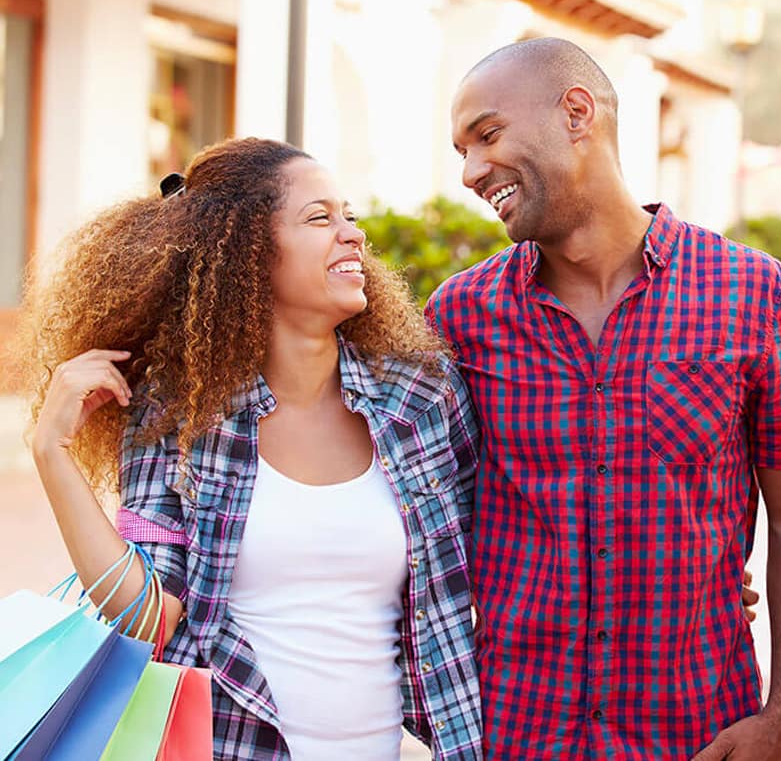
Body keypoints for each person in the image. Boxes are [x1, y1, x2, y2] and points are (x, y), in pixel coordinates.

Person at [427, 38, 781, 760]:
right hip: (516, 730)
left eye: (487, 136)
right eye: (462, 150)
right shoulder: (461, 314)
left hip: (696, 727)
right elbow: (418, 511)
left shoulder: (756, 294)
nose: (469, 172)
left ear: (577, 112)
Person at [23, 137, 483, 760]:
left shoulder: (421, 398)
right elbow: (150, 619)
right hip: (229, 747)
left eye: (349, 216)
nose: (352, 235)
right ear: (246, 255)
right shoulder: (178, 414)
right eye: (320, 218)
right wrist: (51, 452)